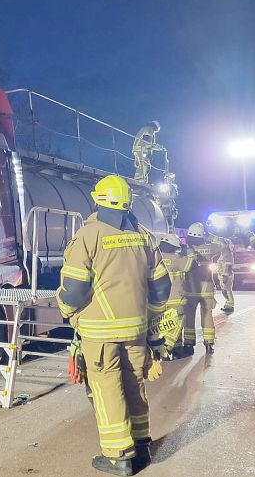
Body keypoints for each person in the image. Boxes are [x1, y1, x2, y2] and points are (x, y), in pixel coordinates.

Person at [57, 175, 169, 476]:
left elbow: (74, 290)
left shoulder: (89, 235)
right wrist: (152, 319)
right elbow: (161, 285)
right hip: (137, 331)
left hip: (100, 332)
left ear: (98, 199)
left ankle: (119, 456)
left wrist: (65, 310)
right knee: (135, 383)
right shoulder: (143, 235)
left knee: (107, 388)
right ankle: (142, 445)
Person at [180, 222, 227, 356]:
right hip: (207, 289)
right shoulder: (210, 248)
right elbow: (223, 245)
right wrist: (210, 235)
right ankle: (209, 343)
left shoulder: (184, 249)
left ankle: (188, 344)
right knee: (207, 315)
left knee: (189, 317)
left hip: (190, 289)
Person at [153, 232, 197, 360]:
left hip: (160, 300)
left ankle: (177, 348)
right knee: (177, 323)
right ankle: (167, 348)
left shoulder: (155, 258)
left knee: (164, 324)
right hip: (176, 299)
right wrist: (188, 251)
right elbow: (191, 265)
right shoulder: (176, 259)